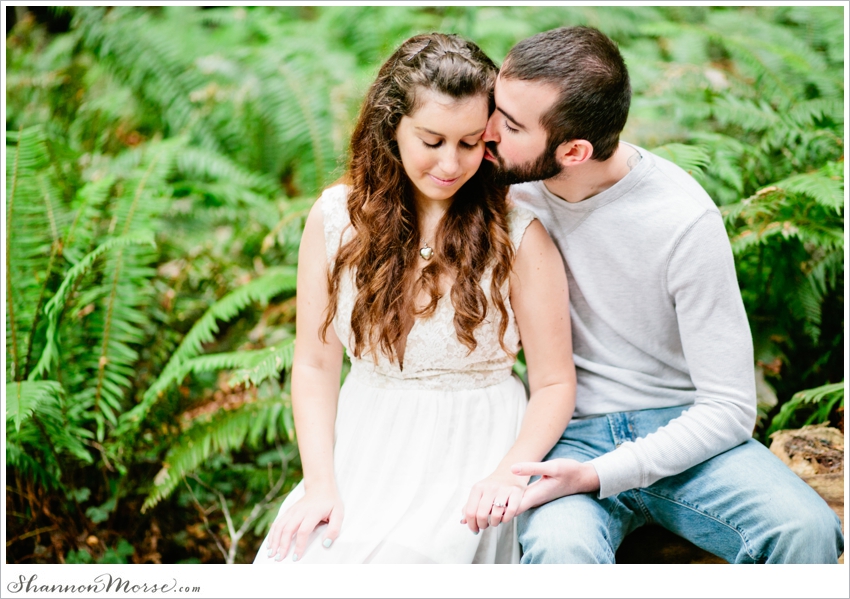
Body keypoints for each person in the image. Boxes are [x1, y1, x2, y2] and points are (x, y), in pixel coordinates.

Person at [479, 26, 844, 564]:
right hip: (563, 435)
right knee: (561, 552)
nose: (486, 130)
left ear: (574, 150)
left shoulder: (681, 218)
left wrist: (605, 473)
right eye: (495, 106)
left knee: (805, 529)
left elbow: (729, 408)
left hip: (681, 433)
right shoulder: (498, 184)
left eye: (509, 125)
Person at [253, 33, 575, 564]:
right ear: (391, 127)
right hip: (366, 442)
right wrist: (320, 485)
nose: (451, 163)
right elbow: (313, 366)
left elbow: (555, 381)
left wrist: (506, 473)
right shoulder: (336, 219)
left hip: (476, 447)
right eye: (432, 141)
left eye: (470, 142)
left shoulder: (518, 234)